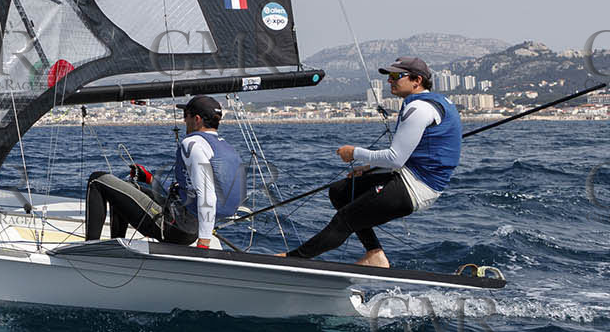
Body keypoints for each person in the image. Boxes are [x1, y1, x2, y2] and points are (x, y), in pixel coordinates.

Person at [283, 56, 460, 267]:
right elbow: (414, 153)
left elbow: (396, 158)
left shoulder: (418, 109)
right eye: (389, 76)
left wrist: (354, 152)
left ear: (416, 80)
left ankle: (291, 261)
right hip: (411, 175)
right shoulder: (436, 102)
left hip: (417, 187)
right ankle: (374, 254)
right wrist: (369, 168)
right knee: (340, 191)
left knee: (345, 220)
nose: (390, 81)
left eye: (396, 76)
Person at [84, 94, 244, 248]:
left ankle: (89, 250)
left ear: (197, 119)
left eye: (186, 115)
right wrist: (148, 178)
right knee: (123, 187)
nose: (183, 120)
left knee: (97, 180)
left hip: (173, 227)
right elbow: (189, 190)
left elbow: (207, 195)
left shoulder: (193, 144)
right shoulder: (226, 148)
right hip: (188, 226)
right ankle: (116, 245)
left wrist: (204, 244)